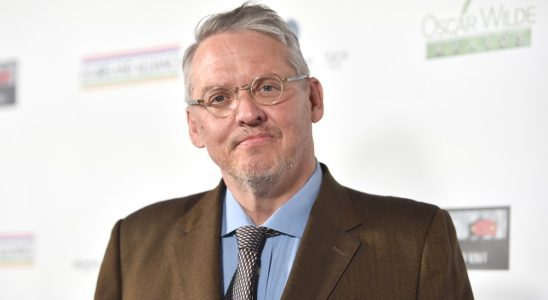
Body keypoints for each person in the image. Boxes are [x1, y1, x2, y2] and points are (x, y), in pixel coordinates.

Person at [95, 3, 474, 300]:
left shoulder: (416, 242)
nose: (247, 113)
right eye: (219, 97)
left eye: (267, 87)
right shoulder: (134, 245)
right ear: (195, 126)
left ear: (313, 99)